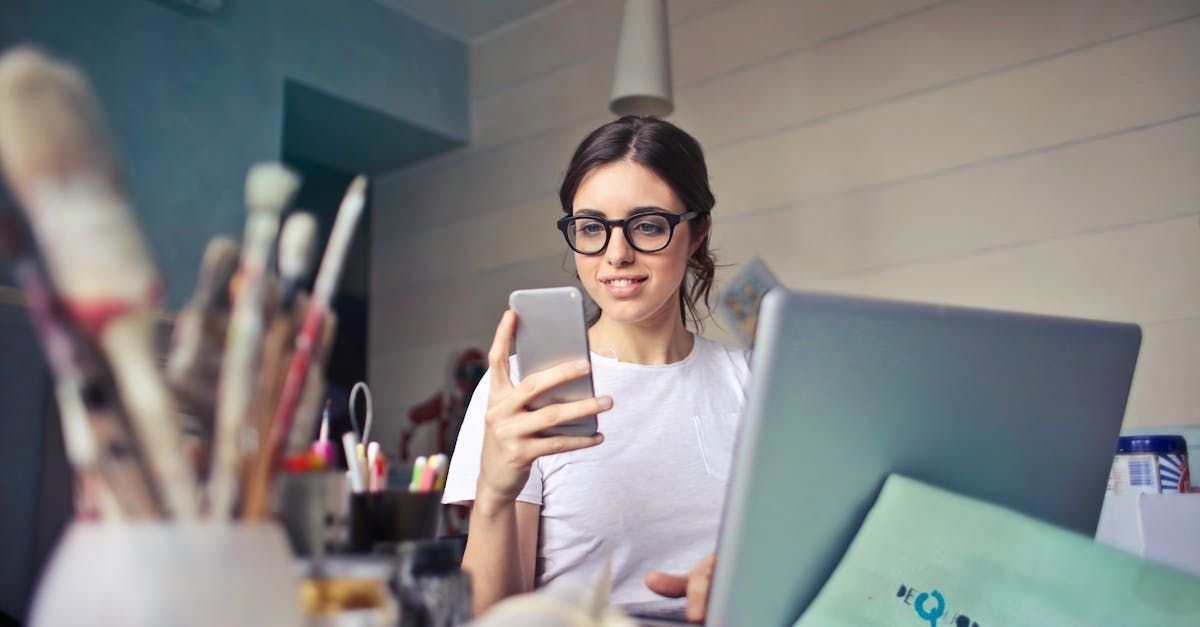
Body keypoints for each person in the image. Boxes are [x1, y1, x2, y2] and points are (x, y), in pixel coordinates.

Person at [442, 116, 751, 623]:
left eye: (648, 225)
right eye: (591, 228)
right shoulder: (523, 390)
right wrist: (495, 493)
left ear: (697, 233)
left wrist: (748, 580)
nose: (616, 254)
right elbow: (492, 619)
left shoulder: (752, 383)